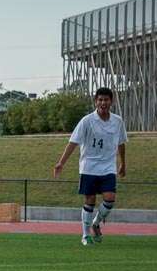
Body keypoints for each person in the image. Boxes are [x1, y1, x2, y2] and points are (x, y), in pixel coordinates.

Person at [53, 87, 127, 246]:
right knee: (90, 201)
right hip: (89, 167)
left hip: (108, 167)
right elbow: (73, 142)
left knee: (110, 199)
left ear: (111, 102)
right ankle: (85, 235)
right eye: (100, 100)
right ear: (95, 101)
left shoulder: (117, 121)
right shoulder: (87, 121)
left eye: (106, 100)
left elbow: (121, 143)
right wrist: (61, 162)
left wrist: (123, 163)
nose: (103, 103)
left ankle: (96, 223)